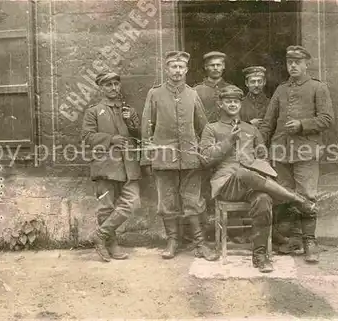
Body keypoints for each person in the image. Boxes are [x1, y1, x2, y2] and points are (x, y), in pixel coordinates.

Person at [199, 85, 318, 273]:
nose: (232, 104)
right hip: (226, 184)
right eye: (228, 101)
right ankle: (297, 200)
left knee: (263, 199)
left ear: (240, 104)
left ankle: (260, 255)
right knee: (241, 172)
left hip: (252, 185)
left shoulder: (251, 129)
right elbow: (205, 159)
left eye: (236, 101)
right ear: (220, 104)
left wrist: (259, 163)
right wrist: (229, 140)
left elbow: (263, 157)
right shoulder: (211, 128)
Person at [140, 51, 218, 261]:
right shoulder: (155, 94)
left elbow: (205, 128)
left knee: (193, 201)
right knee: (167, 202)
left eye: (181, 67)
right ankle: (172, 241)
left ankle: (200, 243)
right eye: (173, 67)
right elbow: (147, 127)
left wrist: (205, 151)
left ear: (186, 70)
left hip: (191, 158)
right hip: (164, 158)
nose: (177, 71)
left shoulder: (192, 94)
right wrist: (148, 158)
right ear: (167, 69)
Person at [259, 45, 334, 263]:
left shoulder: (317, 88)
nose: (292, 65)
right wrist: (261, 145)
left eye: (297, 62)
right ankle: (291, 240)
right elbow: (268, 122)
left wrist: (302, 124)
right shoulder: (281, 90)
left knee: (307, 196)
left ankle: (309, 243)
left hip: (305, 152)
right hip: (280, 153)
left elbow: (327, 119)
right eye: (289, 62)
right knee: (283, 195)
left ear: (306, 63)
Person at [81, 71, 142, 262]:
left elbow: (139, 135)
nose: (114, 88)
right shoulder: (94, 111)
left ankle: (100, 235)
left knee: (133, 201)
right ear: (101, 88)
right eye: (109, 85)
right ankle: (112, 245)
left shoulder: (127, 110)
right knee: (106, 207)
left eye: (116, 84)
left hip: (128, 165)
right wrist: (111, 139)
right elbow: (87, 137)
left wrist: (132, 120)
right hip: (105, 165)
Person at [193, 51, 232, 123]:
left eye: (218, 65)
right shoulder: (196, 90)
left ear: (223, 66)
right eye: (212, 65)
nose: (215, 68)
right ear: (206, 67)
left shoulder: (231, 89)